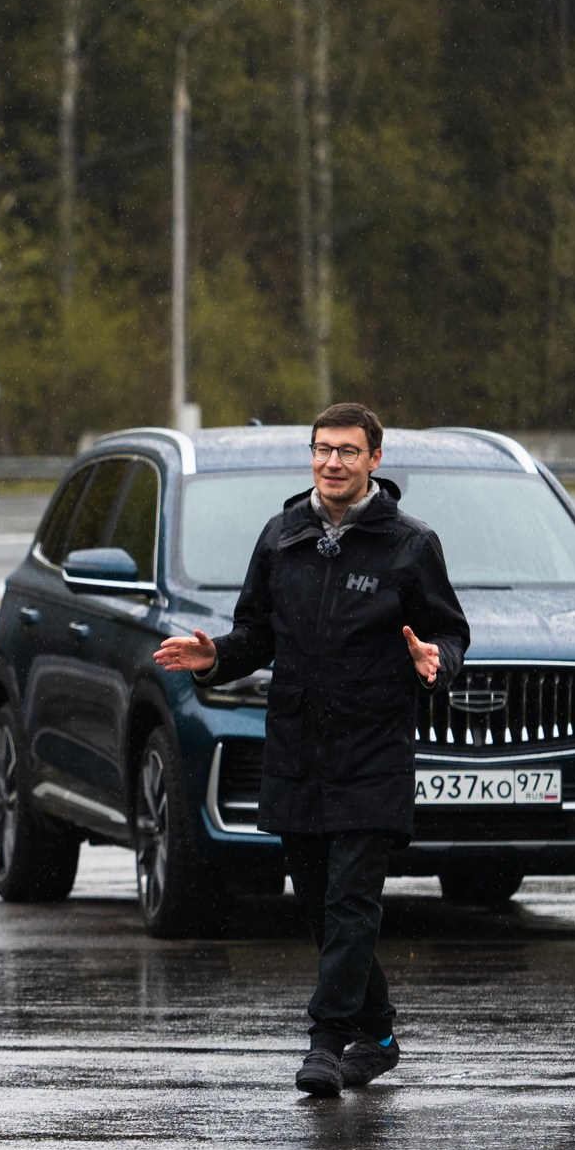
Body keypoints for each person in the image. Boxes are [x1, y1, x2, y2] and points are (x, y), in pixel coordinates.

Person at [154, 403, 470, 1098]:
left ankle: (327, 1041)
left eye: (349, 452)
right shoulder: (282, 536)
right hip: (297, 749)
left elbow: (451, 635)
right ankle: (379, 1033)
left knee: (353, 901)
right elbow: (254, 637)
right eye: (324, 450)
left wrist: (434, 664)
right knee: (319, 904)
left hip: (373, 751)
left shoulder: (410, 546)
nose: (334, 463)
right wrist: (214, 657)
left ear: (374, 461)